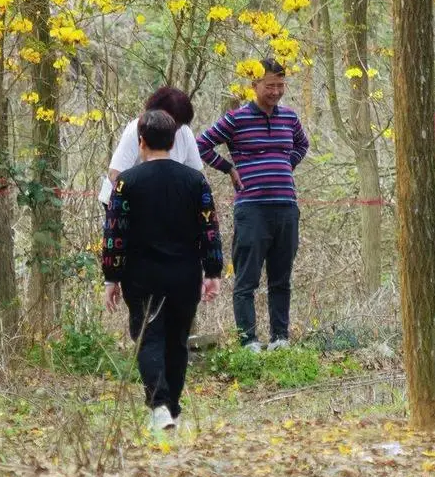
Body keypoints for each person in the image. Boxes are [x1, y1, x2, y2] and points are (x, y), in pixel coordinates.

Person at [102, 109, 223, 433]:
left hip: (141, 276)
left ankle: (159, 406)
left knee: (148, 339)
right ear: (173, 141)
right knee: (177, 341)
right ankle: (172, 407)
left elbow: (115, 232)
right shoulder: (195, 180)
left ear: (141, 142)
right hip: (185, 274)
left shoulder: (127, 182)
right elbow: (210, 228)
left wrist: (111, 277)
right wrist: (213, 272)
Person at [196, 57, 309, 350]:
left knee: (281, 277)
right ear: (254, 85)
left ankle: (280, 338)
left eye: (280, 85)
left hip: (286, 206)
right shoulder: (236, 119)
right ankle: (249, 340)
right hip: (251, 208)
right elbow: (201, 145)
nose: (275, 91)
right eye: (269, 85)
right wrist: (228, 168)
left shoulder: (290, 118)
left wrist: (284, 165)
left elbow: (302, 145)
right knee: (247, 278)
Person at [98, 84, 202, 207]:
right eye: (174, 123)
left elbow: (196, 175)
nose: (175, 129)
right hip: (126, 200)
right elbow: (114, 174)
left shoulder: (185, 132)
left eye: (179, 125)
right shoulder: (136, 130)